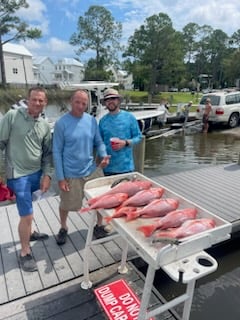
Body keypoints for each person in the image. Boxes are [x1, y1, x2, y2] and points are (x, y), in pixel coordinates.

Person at [0, 87, 52, 272]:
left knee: (30, 205)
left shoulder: (45, 125)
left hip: (36, 174)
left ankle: (29, 233)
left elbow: (47, 155)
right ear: (28, 100)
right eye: (34, 99)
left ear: (45, 103)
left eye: (41, 100)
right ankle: (24, 252)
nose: (37, 103)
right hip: (18, 175)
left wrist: (47, 175)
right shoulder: (13, 116)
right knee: (27, 214)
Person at [53, 89, 110, 245]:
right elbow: (56, 151)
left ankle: (99, 225)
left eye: (84, 103)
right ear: (71, 101)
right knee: (66, 204)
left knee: (101, 200)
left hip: (92, 169)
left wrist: (104, 155)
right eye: (77, 102)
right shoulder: (61, 123)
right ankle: (63, 227)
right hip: (71, 172)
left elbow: (98, 142)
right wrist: (60, 177)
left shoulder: (92, 121)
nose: (80, 105)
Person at [95, 88, 142, 238]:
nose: (111, 101)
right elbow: (100, 142)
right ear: (105, 103)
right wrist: (103, 155)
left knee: (127, 200)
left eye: (113, 99)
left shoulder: (129, 118)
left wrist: (126, 142)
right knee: (108, 198)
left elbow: (138, 137)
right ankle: (103, 224)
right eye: (108, 99)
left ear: (119, 101)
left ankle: (124, 225)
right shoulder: (102, 121)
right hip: (109, 168)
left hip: (127, 167)